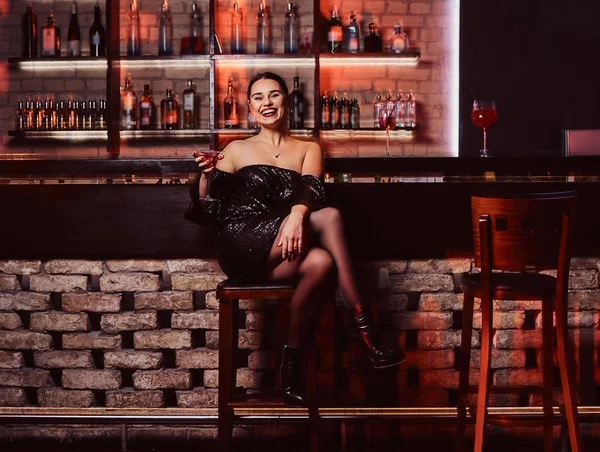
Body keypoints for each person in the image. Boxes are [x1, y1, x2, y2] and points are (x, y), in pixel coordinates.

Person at [185, 72, 404, 407]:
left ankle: (289, 370)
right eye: (258, 97)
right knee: (329, 216)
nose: (267, 103)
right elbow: (209, 207)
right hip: (241, 242)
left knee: (322, 262)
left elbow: (311, 189)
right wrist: (206, 175)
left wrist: (297, 215)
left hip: (283, 250)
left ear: (286, 101)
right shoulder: (236, 149)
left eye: (274, 95)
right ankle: (367, 330)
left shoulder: (308, 148)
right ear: (250, 107)